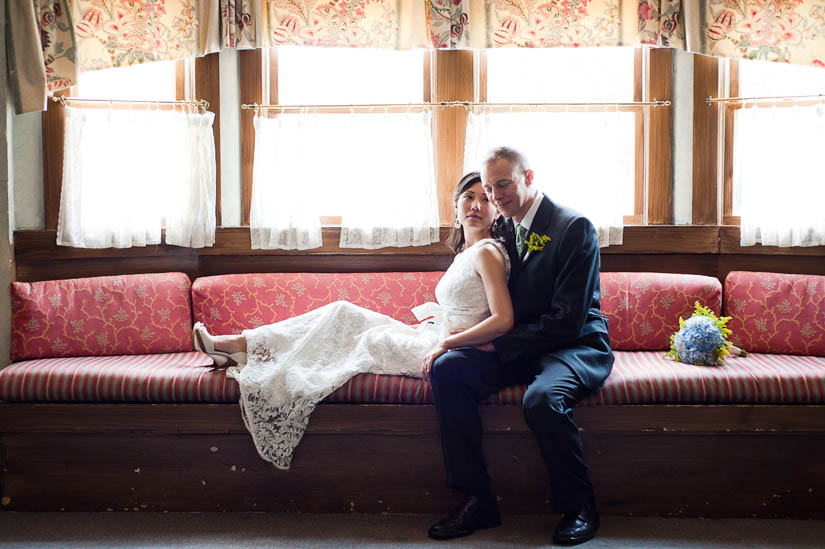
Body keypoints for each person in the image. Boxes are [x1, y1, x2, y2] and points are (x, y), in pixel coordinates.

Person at [192, 172, 513, 470]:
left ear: (496, 209)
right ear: (454, 206)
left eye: (485, 198)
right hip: (434, 337)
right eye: (468, 197)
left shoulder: (487, 253)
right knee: (343, 312)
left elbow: (502, 319)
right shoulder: (466, 254)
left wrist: (447, 342)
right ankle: (244, 344)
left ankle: (241, 347)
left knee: (360, 334)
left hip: (448, 350)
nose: (476, 205)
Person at [426, 147, 614, 546]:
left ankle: (579, 506)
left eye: (503, 184)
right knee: (448, 371)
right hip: (522, 345)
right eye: (489, 188)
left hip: (573, 345)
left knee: (542, 399)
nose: (494, 195)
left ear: (529, 177)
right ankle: (477, 499)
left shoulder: (573, 226)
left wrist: (497, 347)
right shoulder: (504, 228)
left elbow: (567, 319)